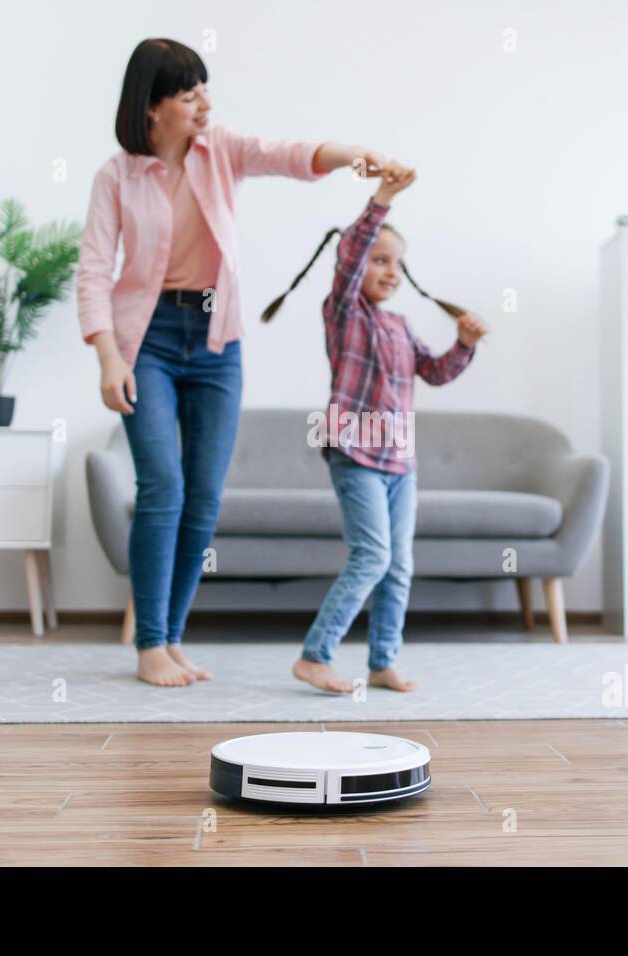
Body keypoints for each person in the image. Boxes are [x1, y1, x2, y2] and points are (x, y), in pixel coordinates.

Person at [77, 38, 402, 687]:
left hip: (217, 340)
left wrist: (353, 157)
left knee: (204, 498)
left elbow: (287, 156)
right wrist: (107, 357)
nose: (204, 104)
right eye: (189, 93)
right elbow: (92, 272)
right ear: (152, 106)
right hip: (147, 339)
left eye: (204, 89)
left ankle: (170, 639)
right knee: (162, 487)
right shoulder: (116, 176)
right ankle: (148, 646)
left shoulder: (219, 149)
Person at [262, 164, 488, 694]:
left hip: (399, 463)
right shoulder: (344, 312)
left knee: (399, 564)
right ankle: (316, 655)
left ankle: (382, 661)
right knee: (374, 554)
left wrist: (465, 343)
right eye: (379, 260)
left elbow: (434, 372)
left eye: (396, 264)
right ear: (357, 264)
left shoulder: (400, 325)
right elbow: (353, 252)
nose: (389, 270)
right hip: (354, 454)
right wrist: (383, 199)